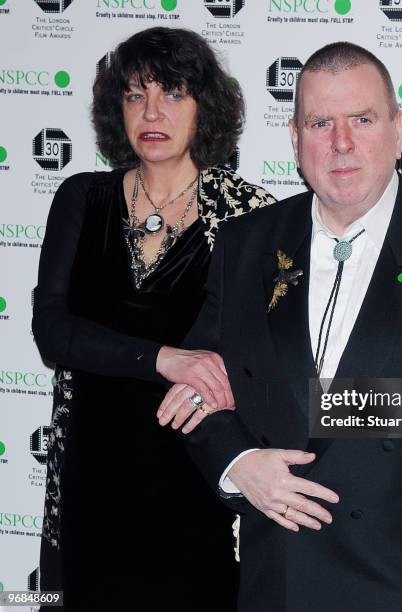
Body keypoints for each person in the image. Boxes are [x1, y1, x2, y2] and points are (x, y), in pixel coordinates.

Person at [159, 42, 402, 612]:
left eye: (362, 119)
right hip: (275, 583)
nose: (342, 143)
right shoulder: (247, 244)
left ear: (397, 127)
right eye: (320, 122)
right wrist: (238, 465)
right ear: (294, 138)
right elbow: (195, 384)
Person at [32, 26, 275, 610]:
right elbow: (53, 331)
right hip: (89, 476)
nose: (152, 111)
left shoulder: (248, 216)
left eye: (173, 93)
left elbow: (262, 360)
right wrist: (163, 358)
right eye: (136, 95)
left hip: (194, 482)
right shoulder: (81, 198)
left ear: (203, 109)